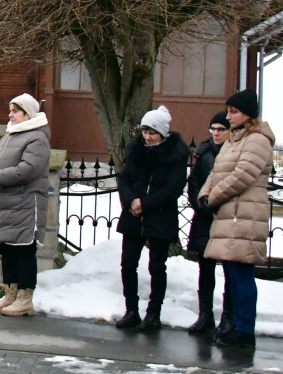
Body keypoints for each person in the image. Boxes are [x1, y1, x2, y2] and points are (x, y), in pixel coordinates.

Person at [199, 89, 274, 350]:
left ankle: (245, 330)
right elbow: (216, 171)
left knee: (242, 274)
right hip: (230, 214)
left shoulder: (257, 140)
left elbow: (244, 174)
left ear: (247, 115)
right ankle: (235, 326)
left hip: (245, 215)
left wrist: (215, 196)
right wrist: (205, 194)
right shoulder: (234, 139)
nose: (229, 116)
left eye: (234, 111)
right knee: (232, 273)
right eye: (228, 111)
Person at [115, 105, 188, 331]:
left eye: (153, 132)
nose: (148, 136)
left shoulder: (175, 154)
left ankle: (153, 313)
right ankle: (131, 310)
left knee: (157, 266)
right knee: (128, 263)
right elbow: (125, 178)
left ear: (162, 133)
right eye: (145, 131)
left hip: (159, 215)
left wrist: (144, 203)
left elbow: (174, 187)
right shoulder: (136, 150)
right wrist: (131, 201)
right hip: (133, 215)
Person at [0, 94, 51, 317]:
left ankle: (25, 297)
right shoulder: (9, 135)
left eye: (15, 111)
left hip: (24, 205)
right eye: (10, 110)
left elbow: (27, 169)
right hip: (5, 205)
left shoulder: (37, 139)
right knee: (7, 248)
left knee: (23, 251)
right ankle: (10, 292)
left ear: (27, 114)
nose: (10, 115)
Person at [186, 111, 233, 337]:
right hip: (204, 218)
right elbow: (194, 181)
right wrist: (200, 202)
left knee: (229, 270)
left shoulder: (235, 152)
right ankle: (205, 315)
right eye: (213, 128)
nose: (216, 133)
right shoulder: (203, 152)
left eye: (221, 129)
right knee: (205, 269)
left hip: (226, 218)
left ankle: (228, 317)